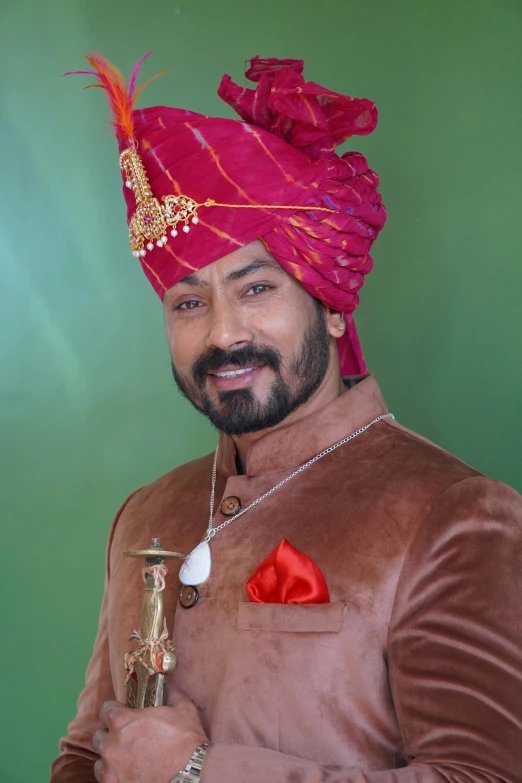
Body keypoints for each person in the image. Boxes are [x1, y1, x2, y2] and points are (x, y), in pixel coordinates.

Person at [51, 54, 522, 783]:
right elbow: (85, 756)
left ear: (330, 308)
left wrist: (201, 769)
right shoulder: (146, 515)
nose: (222, 333)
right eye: (187, 302)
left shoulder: (455, 514)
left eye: (257, 286)